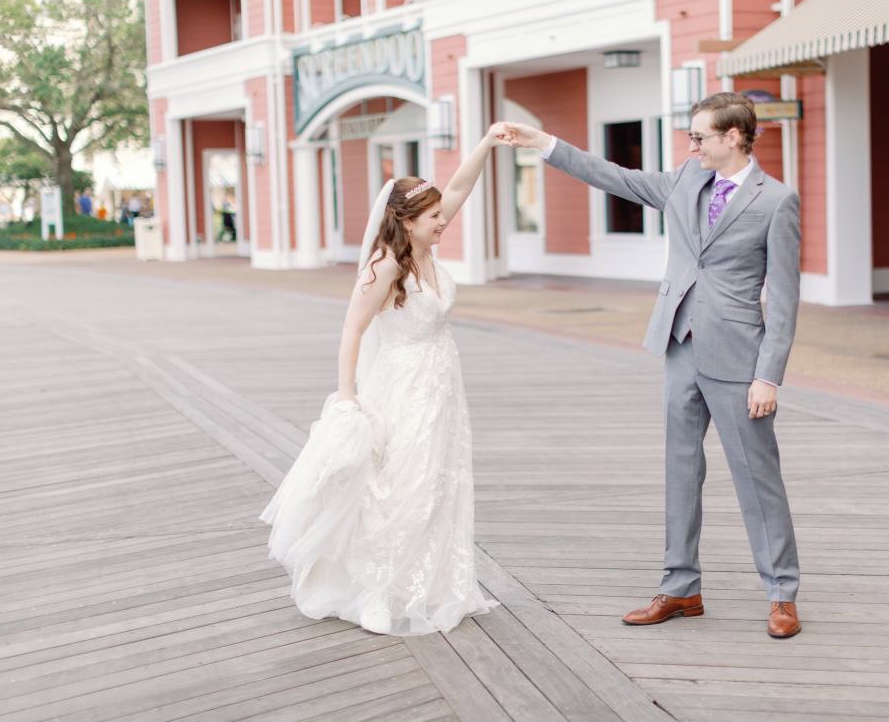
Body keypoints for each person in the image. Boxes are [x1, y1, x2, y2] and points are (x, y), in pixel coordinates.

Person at [499, 93, 804, 638]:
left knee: (758, 477)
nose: (692, 145)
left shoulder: (776, 201)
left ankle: (782, 593)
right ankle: (681, 588)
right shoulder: (686, 180)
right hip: (679, 343)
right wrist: (543, 144)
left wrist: (768, 375)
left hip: (738, 356)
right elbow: (615, 177)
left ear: (734, 137)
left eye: (700, 137)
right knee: (681, 470)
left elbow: (782, 297)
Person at [260, 124, 507, 636]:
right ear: (408, 221)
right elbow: (352, 329)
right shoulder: (385, 265)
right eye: (435, 217)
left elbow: (459, 187)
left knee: (437, 482)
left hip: (441, 383)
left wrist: (485, 143)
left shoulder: (426, 246)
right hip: (400, 384)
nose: (444, 222)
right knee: (396, 487)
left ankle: (427, 582)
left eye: (441, 214)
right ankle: (372, 589)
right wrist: (348, 397)